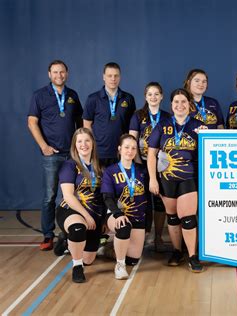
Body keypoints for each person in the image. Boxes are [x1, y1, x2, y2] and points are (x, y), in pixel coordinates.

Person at [147, 88, 206, 273]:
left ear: (189, 105)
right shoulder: (162, 125)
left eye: (183, 102)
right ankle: (177, 251)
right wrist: (152, 180)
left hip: (189, 177)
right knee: (172, 218)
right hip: (166, 179)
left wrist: (207, 135)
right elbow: (151, 155)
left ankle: (193, 256)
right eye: (176, 102)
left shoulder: (198, 126)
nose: (180, 105)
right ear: (171, 105)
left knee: (187, 218)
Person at [27, 60, 83, 251]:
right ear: (49, 74)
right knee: (50, 196)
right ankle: (48, 235)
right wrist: (44, 146)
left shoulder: (72, 95)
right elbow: (32, 122)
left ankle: (70, 232)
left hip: (71, 155)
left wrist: (79, 148)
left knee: (72, 195)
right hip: (51, 154)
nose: (59, 75)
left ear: (67, 73)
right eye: (55, 72)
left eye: (62, 72)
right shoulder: (39, 95)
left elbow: (80, 124)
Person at [56, 128, 105, 283]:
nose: (83, 144)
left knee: (89, 259)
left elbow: (103, 196)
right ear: (74, 145)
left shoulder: (100, 166)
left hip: (94, 213)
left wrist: (102, 219)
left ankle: (65, 240)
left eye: (87, 140)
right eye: (79, 141)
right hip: (71, 210)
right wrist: (86, 216)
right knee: (78, 228)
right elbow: (69, 196)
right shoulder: (69, 165)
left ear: (93, 143)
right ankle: (77, 267)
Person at [129, 82, 171, 252]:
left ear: (161, 96)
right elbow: (132, 140)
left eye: (156, 94)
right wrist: (139, 164)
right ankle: (143, 235)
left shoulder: (168, 116)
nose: (153, 97)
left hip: (162, 166)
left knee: (160, 202)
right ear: (145, 97)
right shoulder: (138, 116)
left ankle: (158, 236)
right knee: (143, 201)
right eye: (150, 94)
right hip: (142, 164)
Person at [101, 134, 148, 280]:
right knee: (123, 227)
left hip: (137, 216)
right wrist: (117, 214)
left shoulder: (142, 170)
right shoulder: (110, 171)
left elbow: (148, 199)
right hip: (116, 214)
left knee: (133, 260)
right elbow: (107, 197)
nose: (130, 151)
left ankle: (105, 250)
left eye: (133, 148)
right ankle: (120, 265)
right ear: (120, 149)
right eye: (127, 147)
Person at [83, 62, 136, 167]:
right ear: (103, 77)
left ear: (120, 77)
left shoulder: (128, 98)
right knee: (100, 183)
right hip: (100, 152)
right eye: (109, 75)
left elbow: (132, 126)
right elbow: (87, 125)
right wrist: (92, 146)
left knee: (121, 183)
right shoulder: (93, 99)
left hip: (122, 152)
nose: (113, 79)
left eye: (116, 76)